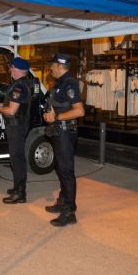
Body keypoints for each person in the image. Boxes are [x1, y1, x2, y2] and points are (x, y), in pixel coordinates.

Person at [43, 54, 85, 227]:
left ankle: (69, 211)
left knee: (66, 171)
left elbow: (79, 111)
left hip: (66, 132)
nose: (50, 68)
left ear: (60, 66)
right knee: (60, 169)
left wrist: (56, 117)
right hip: (59, 131)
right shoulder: (59, 83)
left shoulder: (70, 83)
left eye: (52, 65)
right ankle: (62, 201)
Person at [0, 56, 32, 204]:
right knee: (16, 158)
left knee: (17, 159)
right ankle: (18, 188)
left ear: (17, 69)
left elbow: (12, 111)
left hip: (16, 126)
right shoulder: (23, 84)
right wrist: (1, 104)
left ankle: (20, 193)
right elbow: (14, 106)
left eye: (11, 67)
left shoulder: (19, 86)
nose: (10, 70)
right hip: (18, 125)